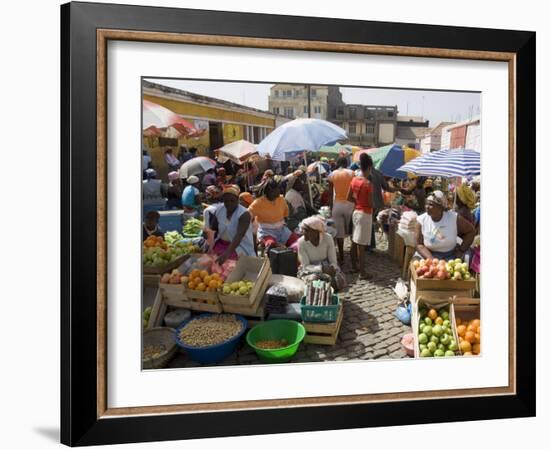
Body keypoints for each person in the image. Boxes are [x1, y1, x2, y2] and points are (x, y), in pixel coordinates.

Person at [415, 190, 476, 261]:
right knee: (415, 263)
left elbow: (471, 231)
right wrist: (432, 260)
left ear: (441, 207)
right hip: (428, 254)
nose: (427, 207)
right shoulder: (421, 220)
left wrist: (461, 250)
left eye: (431, 204)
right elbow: (419, 244)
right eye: (426, 204)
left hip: (450, 255)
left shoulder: (454, 218)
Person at [296, 216, 346, 292]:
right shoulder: (301, 242)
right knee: (314, 281)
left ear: (316, 231)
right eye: (302, 229)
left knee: (337, 282)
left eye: (306, 230)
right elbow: (305, 265)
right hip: (309, 270)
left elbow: (333, 261)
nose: (302, 231)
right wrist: (321, 269)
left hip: (327, 267)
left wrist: (332, 268)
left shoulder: (328, 238)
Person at [209, 185, 256, 264]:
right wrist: (208, 235)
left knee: (231, 266)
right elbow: (213, 228)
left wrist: (227, 253)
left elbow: (239, 235)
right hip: (221, 244)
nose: (229, 203)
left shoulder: (244, 214)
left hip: (239, 246)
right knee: (212, 262)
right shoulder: (219, 210)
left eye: (232, 200)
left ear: (237, 200)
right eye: (226, 201)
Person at [248, 178, 299, 250]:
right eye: (274, 192)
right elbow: (247, 216)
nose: (276, 195)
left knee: (297, 242)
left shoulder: (281, 199)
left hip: (282, 230)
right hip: (266, 232)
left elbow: (286, 216)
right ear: (268, 191)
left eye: (277, 192)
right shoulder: (258, 203)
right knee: (271, 245)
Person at [347, 153, 374, 279]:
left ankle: (354, 266)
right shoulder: (368, 184)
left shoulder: (354, 180)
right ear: (368, 168)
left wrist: (358, 202)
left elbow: (349, 198)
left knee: (354, 241)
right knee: (361, 245)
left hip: (356, 212)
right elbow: (370, 202)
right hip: (365, 214)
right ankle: (362, 272)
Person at [327, 157, 355, 262]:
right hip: (350, 204)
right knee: (353, 231)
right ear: (347, 163)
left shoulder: (332, 174)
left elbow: (330, 193)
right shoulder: (352, 173)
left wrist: (331, 207)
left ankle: (342, 256)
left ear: (338, 164)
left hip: (337, 205)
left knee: (339, 233)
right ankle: (354, 255)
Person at [367, 168, 397, 251]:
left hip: (368, 203)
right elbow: (387, 188)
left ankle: (368, 245)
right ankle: (370, 245)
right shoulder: (378, 174)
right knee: (371, 222)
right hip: (375, 202)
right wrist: (396, 189)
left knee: (369, 223)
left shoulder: (366, 174)